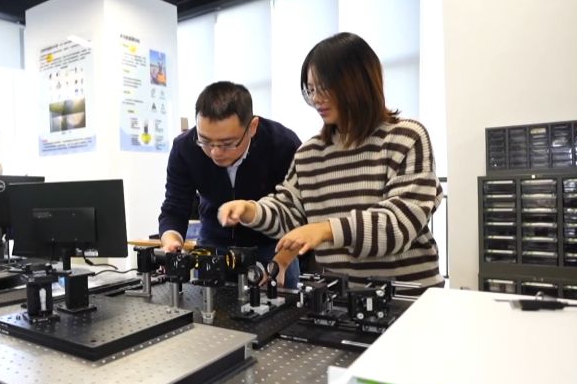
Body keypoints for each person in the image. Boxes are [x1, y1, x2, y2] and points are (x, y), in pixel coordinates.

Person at [218, 32, 444, 288]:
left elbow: (398, 225)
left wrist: (325, 230)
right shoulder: (309, 154)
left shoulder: (406, 138)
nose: (316, 99)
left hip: (408, 296)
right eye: (311, 90)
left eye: (324, 88)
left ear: (358, 82)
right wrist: (251, 210)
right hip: (340, 297)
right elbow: (290, 213)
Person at [158, 81, 302, 286]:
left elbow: (299, 213)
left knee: (281, 305)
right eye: (205, 141)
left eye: (227, 144)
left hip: (273, 247)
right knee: (204, 303)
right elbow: (174, 207)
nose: (215, 152)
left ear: (252, 127)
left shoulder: (282, 145)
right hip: (213, 246)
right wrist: (171, 241)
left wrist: (281, 262)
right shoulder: (185, 148)